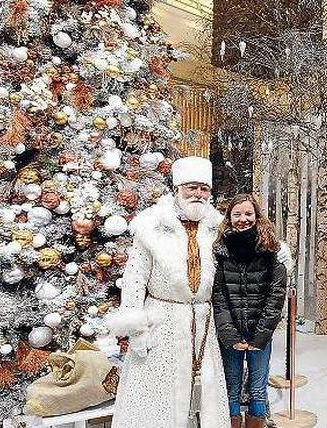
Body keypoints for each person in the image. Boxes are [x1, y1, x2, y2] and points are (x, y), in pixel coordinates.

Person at [107, 156, 229, 428]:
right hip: (160, 321)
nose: (198, 194)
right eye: (191, 187)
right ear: (177, 188)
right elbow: (135, 278)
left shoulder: (218, 227)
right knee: (156, 396)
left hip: (203, 324)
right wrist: (136, 329)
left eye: (203, 188)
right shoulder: (151, 225)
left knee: (204, 393)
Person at [212, 194, 288, 428]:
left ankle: (256, 422)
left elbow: (276, 296)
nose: (242, 219)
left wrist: (260, 336)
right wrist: (230, 335)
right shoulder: (220, 251)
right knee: (231, 384)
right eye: (237, 214)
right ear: (229, 217)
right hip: (231, 333)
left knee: (257, 386)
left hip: (260, 333)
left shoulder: (271, 250)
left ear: (256, 216)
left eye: (248, 214)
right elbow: (219, 297)